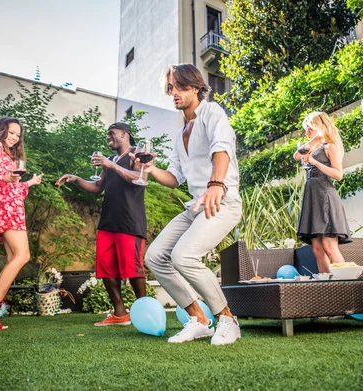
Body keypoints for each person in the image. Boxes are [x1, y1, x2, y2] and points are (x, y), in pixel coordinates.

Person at [136, 64, 242, 345]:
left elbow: (222, 150)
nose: (174, 93)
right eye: (170, 88)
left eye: (180, 86)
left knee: (183, 256)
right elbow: (173, 178)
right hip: (195, 205)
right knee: (155, 257)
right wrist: (150, 170)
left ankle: (228, 319)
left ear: (195, 87)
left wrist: (216, 184)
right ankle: (199, 319)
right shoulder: (180, 131)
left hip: (223, 199)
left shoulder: (212, 113)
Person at [56, 122, 148, 326]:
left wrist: (111, 165)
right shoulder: (112, 160)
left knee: (133, 269)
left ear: (124, 134)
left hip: (129, 222)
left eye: (112, 134)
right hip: (108, 222)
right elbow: (98, 187)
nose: (108, 138)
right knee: (106, 269)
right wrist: (76, 179)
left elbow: (139, 177)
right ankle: (120, 313)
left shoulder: (136, 154)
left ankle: (146, 312)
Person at [0, 117, 43, 331]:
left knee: (12, 259)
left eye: (18, 134)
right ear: (1, 130)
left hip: (13, 207)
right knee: (22, 256)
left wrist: (29, 183)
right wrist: (6, 177)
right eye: (11, 132)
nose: (15, 137)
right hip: (5, 208)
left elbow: (13, 187)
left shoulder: (8, 155)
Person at [295, 111, 353, 273]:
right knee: (317, 249)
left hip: (325, 197)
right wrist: (314, 139)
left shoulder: (330, 146)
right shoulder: (311, 148)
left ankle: (346, 284)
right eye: (305, 129)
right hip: (312, 199)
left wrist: (314, 162)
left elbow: (338, 175)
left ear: (319, 127)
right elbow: (296, 155)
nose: (307, 133)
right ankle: (327, 286)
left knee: (329, 245)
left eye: (310, 128)